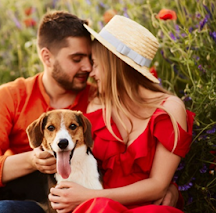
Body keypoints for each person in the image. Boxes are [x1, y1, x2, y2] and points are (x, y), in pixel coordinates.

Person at [0, 11, 179, 213]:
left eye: (90, 59)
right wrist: (33, 159)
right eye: (77, 59)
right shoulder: (10, 96)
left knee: (3, 210)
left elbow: (127, 139)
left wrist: (163, 185)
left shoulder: (97, 100)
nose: (87, 68)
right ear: (47, 57)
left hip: (38, 201)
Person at [48, 15, 195, 213]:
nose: (91, 73)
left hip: (145, 207)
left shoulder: (168, 109)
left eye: (97, 64)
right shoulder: (96, 108)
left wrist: (88, 196)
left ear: (114, 67)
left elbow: (158, 185)